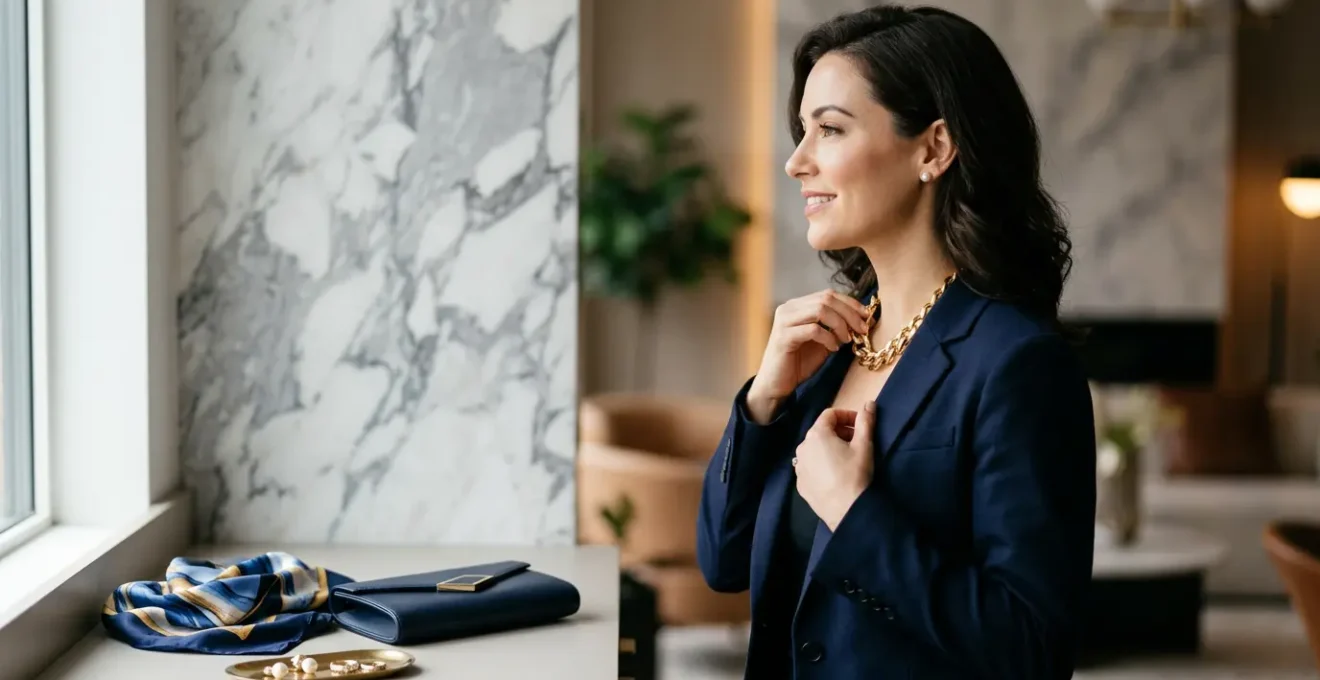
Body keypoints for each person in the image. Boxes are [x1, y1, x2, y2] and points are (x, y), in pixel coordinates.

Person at [696, 5, 1097, 680]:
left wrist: (855, 516)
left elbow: (1033, 650)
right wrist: (765, 399)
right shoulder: (828, 352)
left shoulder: (1018, 364)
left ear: (934, 149)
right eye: (803, 132)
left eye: (829, 130)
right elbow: (722, 561)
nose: (796, 162)